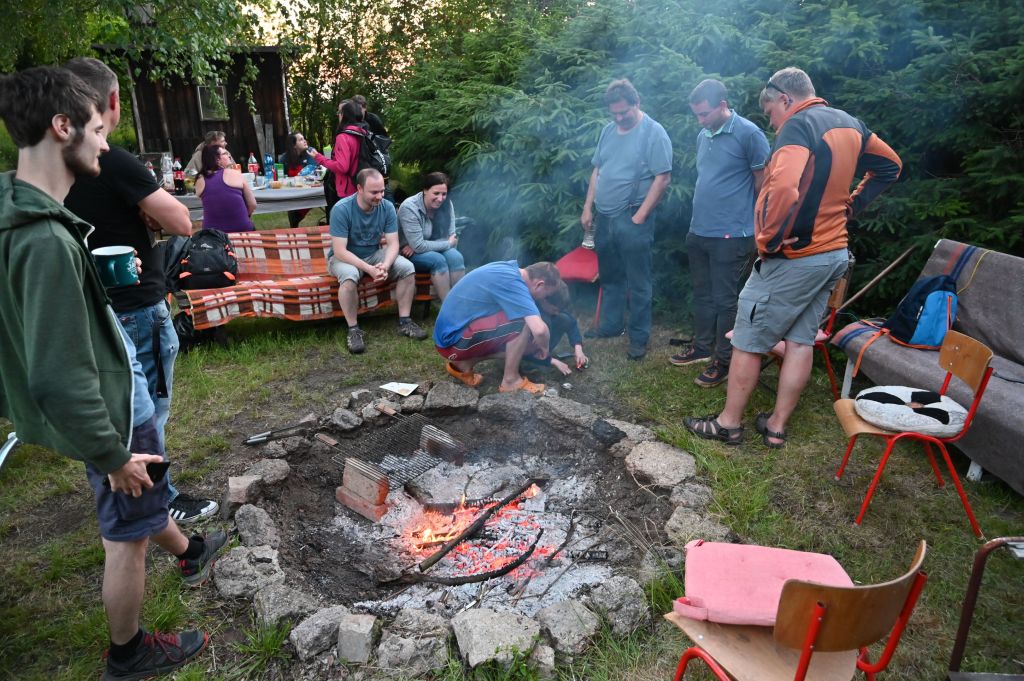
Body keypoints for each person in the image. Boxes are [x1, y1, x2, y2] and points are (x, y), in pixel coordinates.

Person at [0, 65, 225, 681]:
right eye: (98, 131)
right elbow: (55, 375)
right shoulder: (45, 240)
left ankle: (191, 550)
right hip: (110, 414)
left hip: (113, 400)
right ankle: (128, 654)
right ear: (63, 127)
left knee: (140, 502)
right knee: (125, 533)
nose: (105, 145)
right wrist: (111, 454)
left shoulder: (18, 210)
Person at [684, 67, 902, 448]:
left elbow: (784, 187)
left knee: (747, 338)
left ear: (785, 98)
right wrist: (851, 207)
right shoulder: (851, 124)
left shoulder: (798, 125)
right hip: (833, 253)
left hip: (796, 255)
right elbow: (891, 166)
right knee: (800, 341)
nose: (772, 122)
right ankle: (776, 427)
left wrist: (768, 239)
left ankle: (728, 424)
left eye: (771, 112)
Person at [64, 57, 219, 525]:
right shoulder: (112, 160)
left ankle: (120, 484)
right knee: (146, 415)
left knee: (114, 409)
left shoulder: (54, 161)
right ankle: (158, 500)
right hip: (135, 307)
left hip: (90, 306)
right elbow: (181, 221)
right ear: (112, 101)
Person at [671, 78, 770, 388]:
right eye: (696, 115)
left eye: (704, 114)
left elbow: (763, 182)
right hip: (699, 229)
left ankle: (723, 361)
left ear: (722, 105)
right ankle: (702, 347)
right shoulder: (704, 135)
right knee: (702, 292)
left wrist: (756, 225)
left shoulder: (749, 134)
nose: (700, 121)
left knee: (725, 299)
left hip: (732, 232)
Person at [580, 78, 673, 360]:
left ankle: (639, 337)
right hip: (605, 217)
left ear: (637, 103)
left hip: (633, 215)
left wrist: (640, 217)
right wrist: (588, 208)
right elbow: (597, 171)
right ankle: (611, 325)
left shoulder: (653, 133)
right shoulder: (608, 131)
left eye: (624, 112)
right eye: (614, 114)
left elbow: (663, 178)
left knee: (638, 281)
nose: (619, 118)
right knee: (610, 275)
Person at [328, 168, 428, 353]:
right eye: (374, 192)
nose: (380, 196)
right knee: (349, 277)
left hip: (373, 253)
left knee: (407, 268)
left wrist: (386, 265)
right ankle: (353, 330)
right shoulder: (341, 209)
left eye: (382, 190)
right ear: (359, 189)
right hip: (345, 257)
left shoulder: (387, 207)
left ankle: (405, 321)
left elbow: (393, 244)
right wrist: (369, 269)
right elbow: (340, 251)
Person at [434, 260, 561, 393]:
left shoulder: (509, 270)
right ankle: (511, 381)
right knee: (523, 321)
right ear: (540, 284)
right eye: (546, 295)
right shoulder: (514, 284)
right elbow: (540, 331)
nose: (543, 298)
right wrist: (544, 348)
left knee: (522, 342)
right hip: (452, 342)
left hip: (448, 336)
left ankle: (463, 364)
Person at [398, 172, 465, 301]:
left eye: (444, 194)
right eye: (436, 193)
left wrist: (422, 244)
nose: (440, 199)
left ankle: (461, 302)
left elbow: (452, 236)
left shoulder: (447, 204)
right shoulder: (410, 207)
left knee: (456, 257)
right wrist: (446, 243)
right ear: (425, 190)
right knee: (437, 260)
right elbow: (420, 246)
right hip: (409, 253)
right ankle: (448, 306)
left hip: (426, 247)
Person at [313, 99, 364, 211]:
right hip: (362, 185)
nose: (338, 116)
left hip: (348, 190)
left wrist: (319, 158)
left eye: (340, 113)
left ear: (344, 115)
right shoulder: (363, 133)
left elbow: (342, 167)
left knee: (346, 219)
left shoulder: (343, 137)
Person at [195, 142, 256, 232]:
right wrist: (243, 215)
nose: (229, 156)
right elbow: (253, 204)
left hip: (212, 234)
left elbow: (214, 204)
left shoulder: (199, 180)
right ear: (217, 159)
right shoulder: (235, 174)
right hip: (241, 230)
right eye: (225, 153)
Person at [533, 281, 589, 375]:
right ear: (544, 301)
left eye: (559, 310)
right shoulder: (532, 315)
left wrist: (578, 349)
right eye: (554, 309)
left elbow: (571, 323)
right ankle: (534, 361)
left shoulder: (553, 305)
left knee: (564, 318)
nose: (557, 313)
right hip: (525, 352)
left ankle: (544, 354)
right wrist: (553, 361)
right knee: (548, 321)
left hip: (542, 345)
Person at [278, 131, 318, 227]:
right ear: (294, 145)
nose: (305, 141)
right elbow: (281, 177)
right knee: (292, 206)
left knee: (295, 211)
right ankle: (294, 225)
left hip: (310, 191)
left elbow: (314, 171)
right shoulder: (284, 158)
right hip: (292, 192)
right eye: (301, 140)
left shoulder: (310, 152)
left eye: (304, 138)